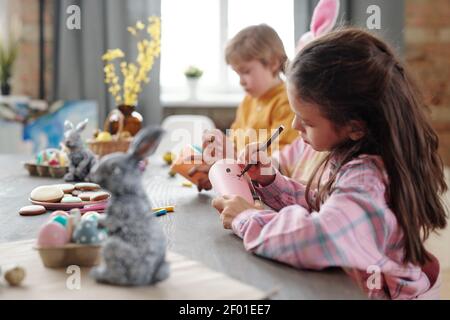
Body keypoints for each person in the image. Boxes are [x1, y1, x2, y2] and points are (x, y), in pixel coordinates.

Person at [212, 28, 448, 299]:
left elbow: (318, 239)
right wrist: (270, 181)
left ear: (355, 127)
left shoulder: (367, 178)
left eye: (307, 121)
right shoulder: (357, 158)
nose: (294, 126)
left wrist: (247, 219)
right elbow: (324, 204)